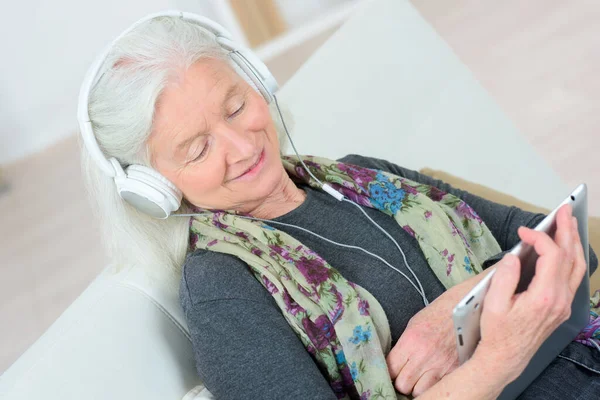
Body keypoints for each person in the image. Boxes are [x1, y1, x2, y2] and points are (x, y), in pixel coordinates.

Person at [81, 14, 600, 400]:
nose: (243, 147)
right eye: (197, 149)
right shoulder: (223, 287)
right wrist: (501, 353)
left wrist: (455, 310)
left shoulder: (360, 177)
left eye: (236, 106)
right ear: (154, 186)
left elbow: (560, 238)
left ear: (258, 81)